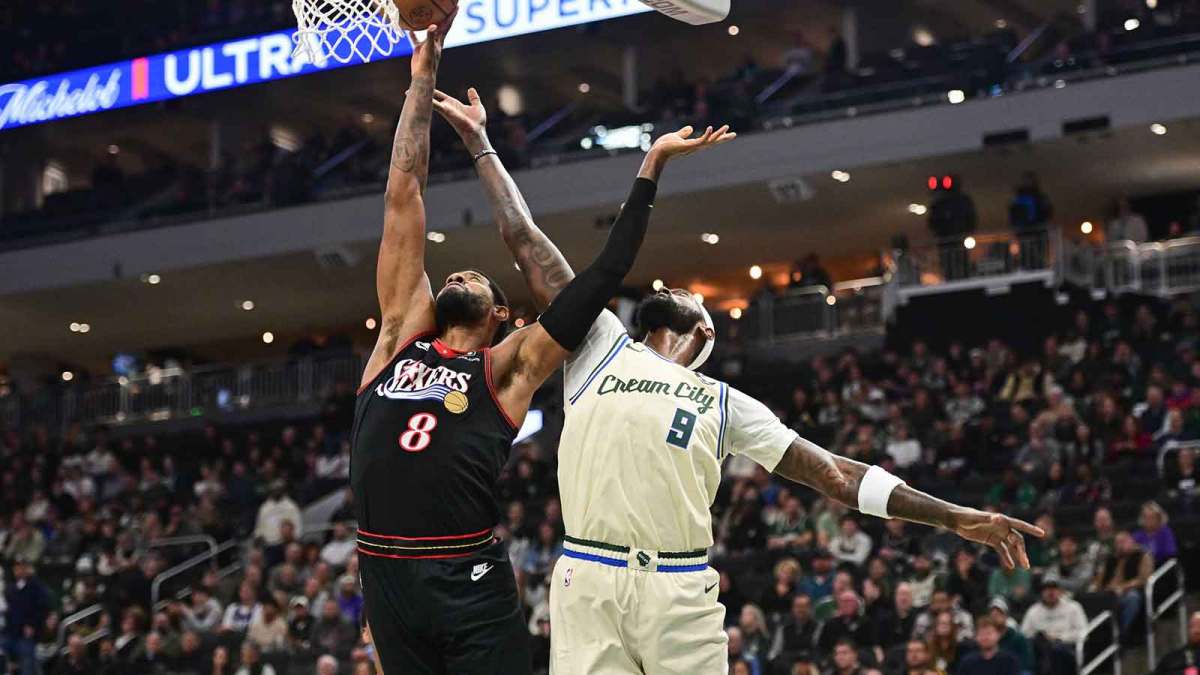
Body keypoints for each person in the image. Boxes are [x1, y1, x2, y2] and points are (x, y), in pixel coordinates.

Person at [434, 85, 1044, 675]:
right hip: (589, 577)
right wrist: (481, 143)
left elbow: (837, 475)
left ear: (704, 332)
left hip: (678, 586)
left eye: (689, 295)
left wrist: (955, 517)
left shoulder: (724, 402)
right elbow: (525, 240)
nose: (675, 288)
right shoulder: (599, 345)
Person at [352, 20, 724, 673]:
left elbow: (601, 275)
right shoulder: (397, 337)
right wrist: (422, 75)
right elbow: (402, 193)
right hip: (384, 571)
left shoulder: (508, 366)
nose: (460, 273)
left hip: (466, 575)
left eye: (476, 278)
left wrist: (649, 169)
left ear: (502, 313)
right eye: (455, 274)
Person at [1093, 531, 1153, 638]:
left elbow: (1143, 579)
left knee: (1132, 597)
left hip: (1128, 592)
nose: (1120, 545)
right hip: (1108, 593)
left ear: (1132, 541)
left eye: (1123, 541)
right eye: (1117, 543)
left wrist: (1123, 588)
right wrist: (1096, 589)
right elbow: (1100, 579)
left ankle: (1122, 633)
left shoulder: (1142, 556)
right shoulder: (1111, 559)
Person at [1020, 576, 1086, 674]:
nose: (1051, 592)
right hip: (1040, 648)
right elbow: (1024, 633)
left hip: (1065, 647)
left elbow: (1082, 632)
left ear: (1060, 591)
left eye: (1054, 588)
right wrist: (1041, 636)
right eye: (1047, 589)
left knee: (1056, 650)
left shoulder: (1073, 607)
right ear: (1041, 592)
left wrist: (1059, 638)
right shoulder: (1033, 611)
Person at [3, 558, 48, 675]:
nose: (19, 570)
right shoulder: (10, 588)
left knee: (27, 665)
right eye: (17, 568)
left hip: (26, 634)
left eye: (22, 567)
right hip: (10, 632)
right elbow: (8, 609)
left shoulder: (36, 586)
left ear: (27, 569)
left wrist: (32, 625)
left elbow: (42, 608)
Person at [1133, 501, 1178, 566]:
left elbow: (1171, 553)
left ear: (1159, 519)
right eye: (1145, 517)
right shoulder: (1137, 535)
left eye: (1152, 517)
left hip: (1163, 566)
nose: (1148, 520)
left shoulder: (1166, 532)